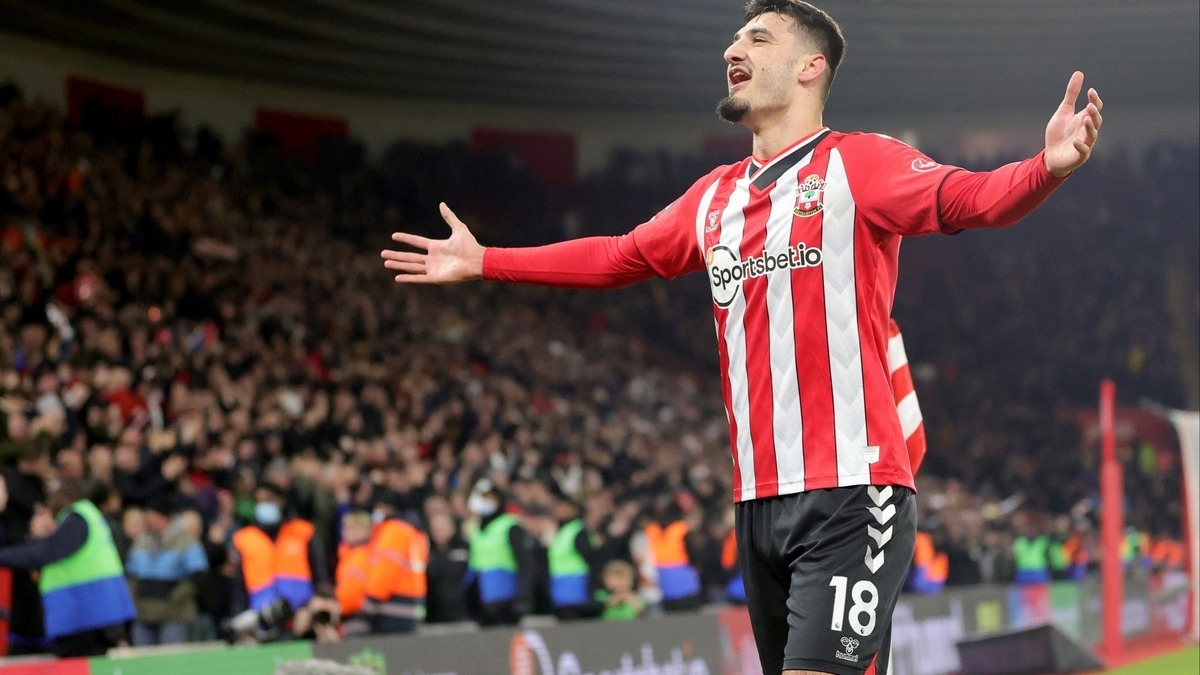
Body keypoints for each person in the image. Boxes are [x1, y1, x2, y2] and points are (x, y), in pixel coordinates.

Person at [380, 0, 1103, 671]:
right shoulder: (714, 197)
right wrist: (486, 260)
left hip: (853, 492)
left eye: (758, 38)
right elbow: (616, 256)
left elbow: (966, 198)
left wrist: (1045, 168)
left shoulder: (856, 163)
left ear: (811, 66)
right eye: (734, 39)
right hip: (758, 502)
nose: (733, 50)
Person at [0, 477, 136, 658]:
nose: (49, 504)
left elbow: (43, 553)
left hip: (85, 617)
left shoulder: (77, 519)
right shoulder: (86, 516)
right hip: (90, 614)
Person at [229, 482, 331, 630]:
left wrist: (321, 602)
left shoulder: (302, 531)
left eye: (269, 499)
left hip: (303, 612)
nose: (264, 505)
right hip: (261, 615)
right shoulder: (244, 538)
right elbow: (239, 583)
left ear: (281, 501)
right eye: (260, 501)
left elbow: (319, 570)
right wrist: (239, 616)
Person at [125, 495, 209, 646]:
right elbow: (131, 575)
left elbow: (198, 576)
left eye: (151, 515)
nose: (148, 520)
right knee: (142, 658)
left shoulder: (187, 542)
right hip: (143, 614)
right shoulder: (141, 541)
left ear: (162, 516)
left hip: (174, 615)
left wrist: (174, 598)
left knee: (171, 657)